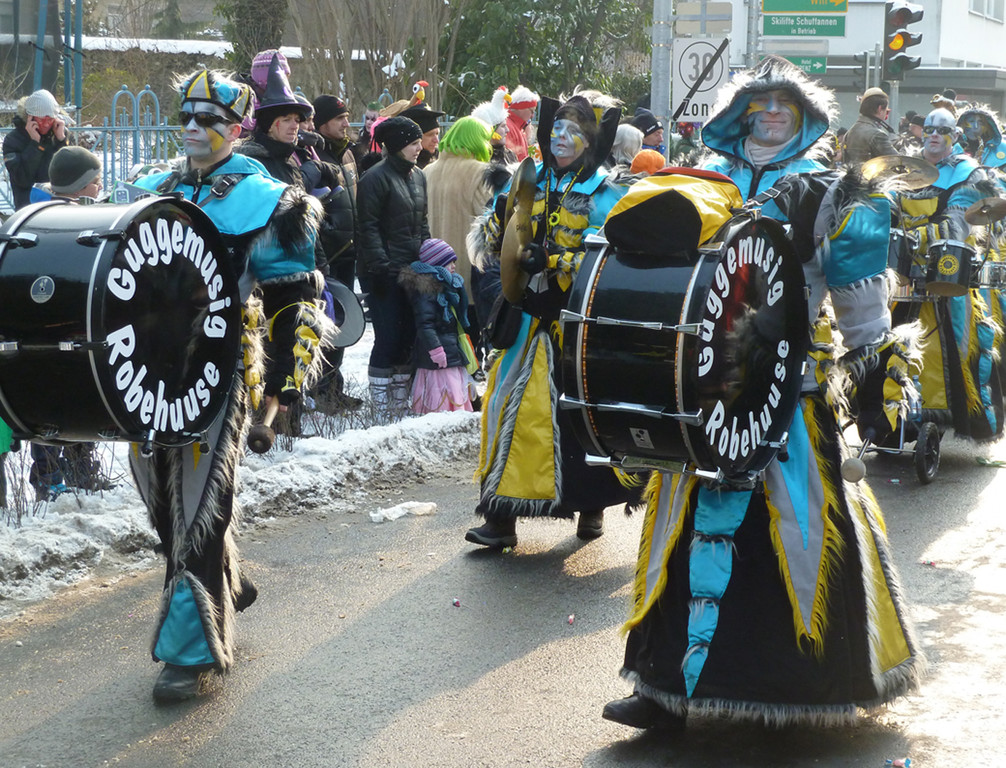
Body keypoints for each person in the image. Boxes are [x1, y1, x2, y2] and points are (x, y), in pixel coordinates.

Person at [604, 55, 925, 731]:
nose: (773, 112)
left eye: (787, 104)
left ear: (804, 117)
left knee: (798, 527)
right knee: (680, 527)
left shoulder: (828, 189)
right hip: (702, 390)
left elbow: (859, 290)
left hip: (788, 392)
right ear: (741, 113)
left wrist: (874, 370)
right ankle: (663, 687)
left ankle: (808, 690)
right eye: (762, 102)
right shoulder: (703, 178)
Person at [128, 67, 328, 702]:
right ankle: (226, 582)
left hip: (218, 370)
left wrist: (285, 386)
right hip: (144, 373)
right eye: (185, 117)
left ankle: (190, 650)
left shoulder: (268, 201)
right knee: (159, 500)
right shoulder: (153, 188)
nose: (192, 128)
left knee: (197, 504)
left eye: (208, 120)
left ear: (236, 129)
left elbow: (294, 300)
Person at [465, 88, 638, 549]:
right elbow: (496, 236)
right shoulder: (526, 179)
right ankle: (501, 517)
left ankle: (593, 506)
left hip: (579, 324)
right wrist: (503, 230)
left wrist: (557, 261)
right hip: (525, 317)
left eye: (573, 130)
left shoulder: (606, 191)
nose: (561, 137)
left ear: (591, 140)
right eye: (556, 127)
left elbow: (612, 258)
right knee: (505, 407)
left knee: (583, 413)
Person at [892, 107, 1004, 442]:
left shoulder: (967, 172)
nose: (934, 135)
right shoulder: (905, 167)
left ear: (954, 136)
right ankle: (893, 417)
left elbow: (959, 221)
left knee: (951, 344)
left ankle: (941, 416)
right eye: (928, 129)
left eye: (942, 130)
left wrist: (918, 236)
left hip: (947, 270)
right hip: (902, 273)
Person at [27, 146, 111, 500]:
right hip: (67, 326)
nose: (100, 186)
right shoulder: (79, 221)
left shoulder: (34, 215)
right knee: (63, 403)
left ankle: (70, 469)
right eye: (96, 181)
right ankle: (51, 475)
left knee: (57, 402)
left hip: (46, 328)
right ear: (82, 186)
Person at [356, 116, 430, 420]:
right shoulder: (374, 179)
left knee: (408, 334)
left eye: (419, 142)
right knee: (388, 335)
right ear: (398, 145)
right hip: (383, 271)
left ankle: (399, 401)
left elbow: (422, 223)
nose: (419, 148)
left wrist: (429, 256)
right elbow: (367, 227)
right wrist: (380, 266)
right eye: (413, 143)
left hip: (412, 269)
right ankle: (381, 405)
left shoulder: (419, 176)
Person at [423, 116, 494, 360]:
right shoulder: (480, 172)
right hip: (466, 268)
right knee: (469, 339)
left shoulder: (427, 171)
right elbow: (490, 219)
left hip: (432, 266)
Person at [312, 93, 364, 411]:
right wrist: (329, 232)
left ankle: (333, 387)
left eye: (346, 117)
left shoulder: (346, 153)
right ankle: (319, 390)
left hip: (348, 250)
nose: (346, 123)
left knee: (340, 322)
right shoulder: (314, 157)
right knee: (323, 322)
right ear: (321, 124)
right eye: (339, 119)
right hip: (327, 254)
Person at [398, 238, 475, 413]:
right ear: (437, 264)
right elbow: (425, 325)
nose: (454, 266)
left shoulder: (447, 288)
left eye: (454, 262)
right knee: (442, 396)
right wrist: (436, 351)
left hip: (450, 352)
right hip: (438, 358)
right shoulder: (427, 292)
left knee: (454, 390)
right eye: (450, 262)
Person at [3, 89, 70, 209]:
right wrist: (35, 145)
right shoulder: (13, 140)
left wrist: (61, 142)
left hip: (60, 207)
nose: (46, 124)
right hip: (29, 209)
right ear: (30, 117)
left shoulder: (60, 134)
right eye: (41, 119)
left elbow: (72, 173)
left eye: (50, 120)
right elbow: (22, 179)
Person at [842, 87, 897, 165]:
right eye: (886, 110)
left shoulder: (849, 133)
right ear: (880, 109)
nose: (886, 114)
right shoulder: (877, 135)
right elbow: (897, 161)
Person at [472, 87, 516, 165]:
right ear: (489, 130)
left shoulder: (510, 155)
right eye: (503, 126)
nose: (507, 130)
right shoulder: (478, 159)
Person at [400, 101, 445, 170]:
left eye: (437, 134)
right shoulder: (406, 168)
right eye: (430, 135)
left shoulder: (440, 160)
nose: (436, 140)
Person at [505, 85, 540, 161]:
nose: (532, 115)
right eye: (532, 111)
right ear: (521, 108)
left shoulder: (518, 128)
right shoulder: (507, 127)